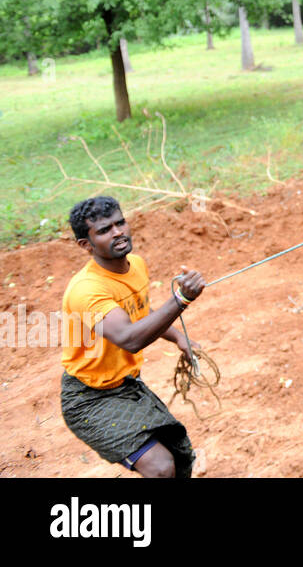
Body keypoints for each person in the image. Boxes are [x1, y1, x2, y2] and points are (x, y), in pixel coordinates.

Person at [60, 195, 206, 478]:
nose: (118, 232)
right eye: (104, 230)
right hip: (90, 397)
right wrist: (181, 300)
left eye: (120, 223)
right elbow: (129, 338)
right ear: (85, 244)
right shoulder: (86, 290)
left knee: (180, 457)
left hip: (127, 385)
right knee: (161, 467)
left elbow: (139, 312)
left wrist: (178, 338)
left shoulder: (136, 265)